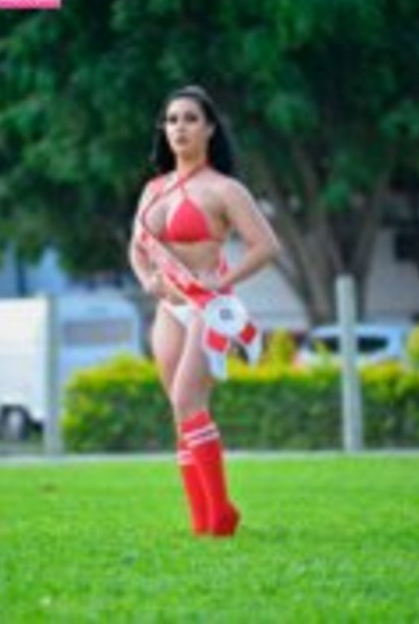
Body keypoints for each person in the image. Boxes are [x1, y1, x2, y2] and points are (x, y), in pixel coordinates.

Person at [128, 85, 280, 537]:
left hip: (208, 308)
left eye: (191, 119)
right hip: (169, 309)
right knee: (180, 414)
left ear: (210, 128)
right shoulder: (153, 190)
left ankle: (222, 515)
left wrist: (219, 281)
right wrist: (148, 279)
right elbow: (138, 248)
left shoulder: (225, 189)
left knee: (187, 401)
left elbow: (266, 246)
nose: (180, 128)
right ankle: (202, 521)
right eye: (172, 120)